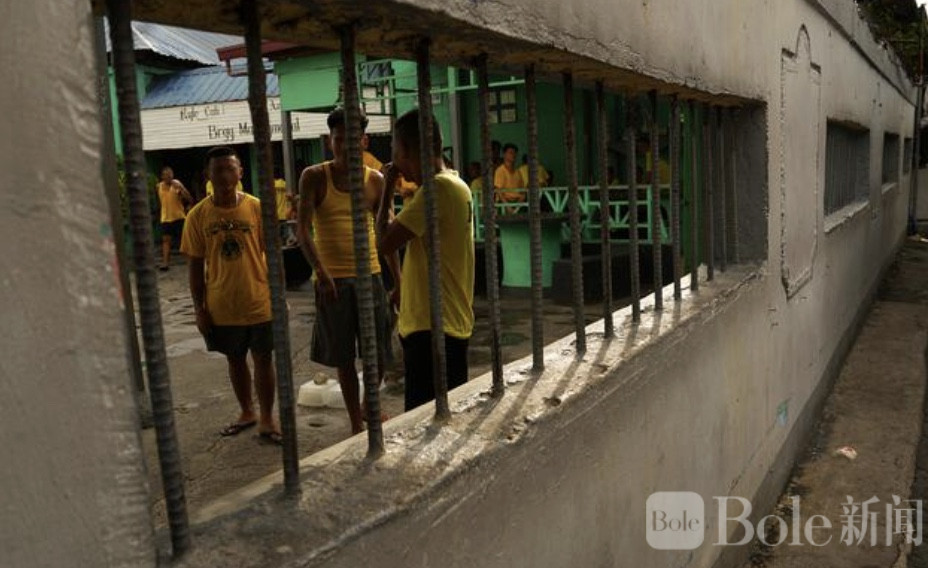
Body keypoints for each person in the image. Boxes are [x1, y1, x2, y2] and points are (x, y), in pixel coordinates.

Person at [297, 108, 400, 435]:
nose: (346, 146)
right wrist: (320, 271)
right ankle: (356, 423)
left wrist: (398, 281)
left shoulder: (376, 181)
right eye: (339, 139)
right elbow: (302, 229)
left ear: (364, 141)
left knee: (378, 350)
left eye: (353, 139)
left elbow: (386, 233)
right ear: (330, 141)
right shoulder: (314, 176)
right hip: (333, 280)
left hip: (371, 274)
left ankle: (370, 405)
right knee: (343, 356)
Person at [180, 147, 280, 444]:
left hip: (258, 299)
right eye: (218, 170)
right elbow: (195, 267)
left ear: (240, 173)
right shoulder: (197, 215)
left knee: (263, 359)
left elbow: (274, 257)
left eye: (230, 169)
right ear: (208, 175)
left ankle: (267, 417)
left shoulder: (257, 208)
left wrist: (278, 296)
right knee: (235, 359)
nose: (224, 175)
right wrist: (199, 308)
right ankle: (247, 411)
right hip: (221, 304)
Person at [377, 109, 475, 411]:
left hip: (433, 329)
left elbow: (384, 241)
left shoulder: (436, 190)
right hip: (445, 322)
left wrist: (386, 188)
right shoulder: (456, 184)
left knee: (424, 421)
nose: (395, 161)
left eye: (396, 151)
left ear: (408, 150)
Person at [156, 166, 192, 271]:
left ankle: (190, 262)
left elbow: (189, 198)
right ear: (162, 177)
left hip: (179, 217)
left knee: (184, 241)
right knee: (166, 240)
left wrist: (181, 189)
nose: (169, 177)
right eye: (166, 175)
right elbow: (160, 201)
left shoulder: (177, 185)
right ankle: (165, 263)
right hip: (165, 218)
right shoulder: (158, 186)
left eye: (170, 175)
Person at [493, 143, 525, 212]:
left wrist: (518, 204)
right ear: (504, 154)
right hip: (504, 203)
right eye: (510, 153)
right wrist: (508, 207)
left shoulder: (518, 172)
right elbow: (499, 191)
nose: (513, 155)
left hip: (518, 202)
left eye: (515, 153)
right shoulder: (500, 171)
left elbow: (522, 191)